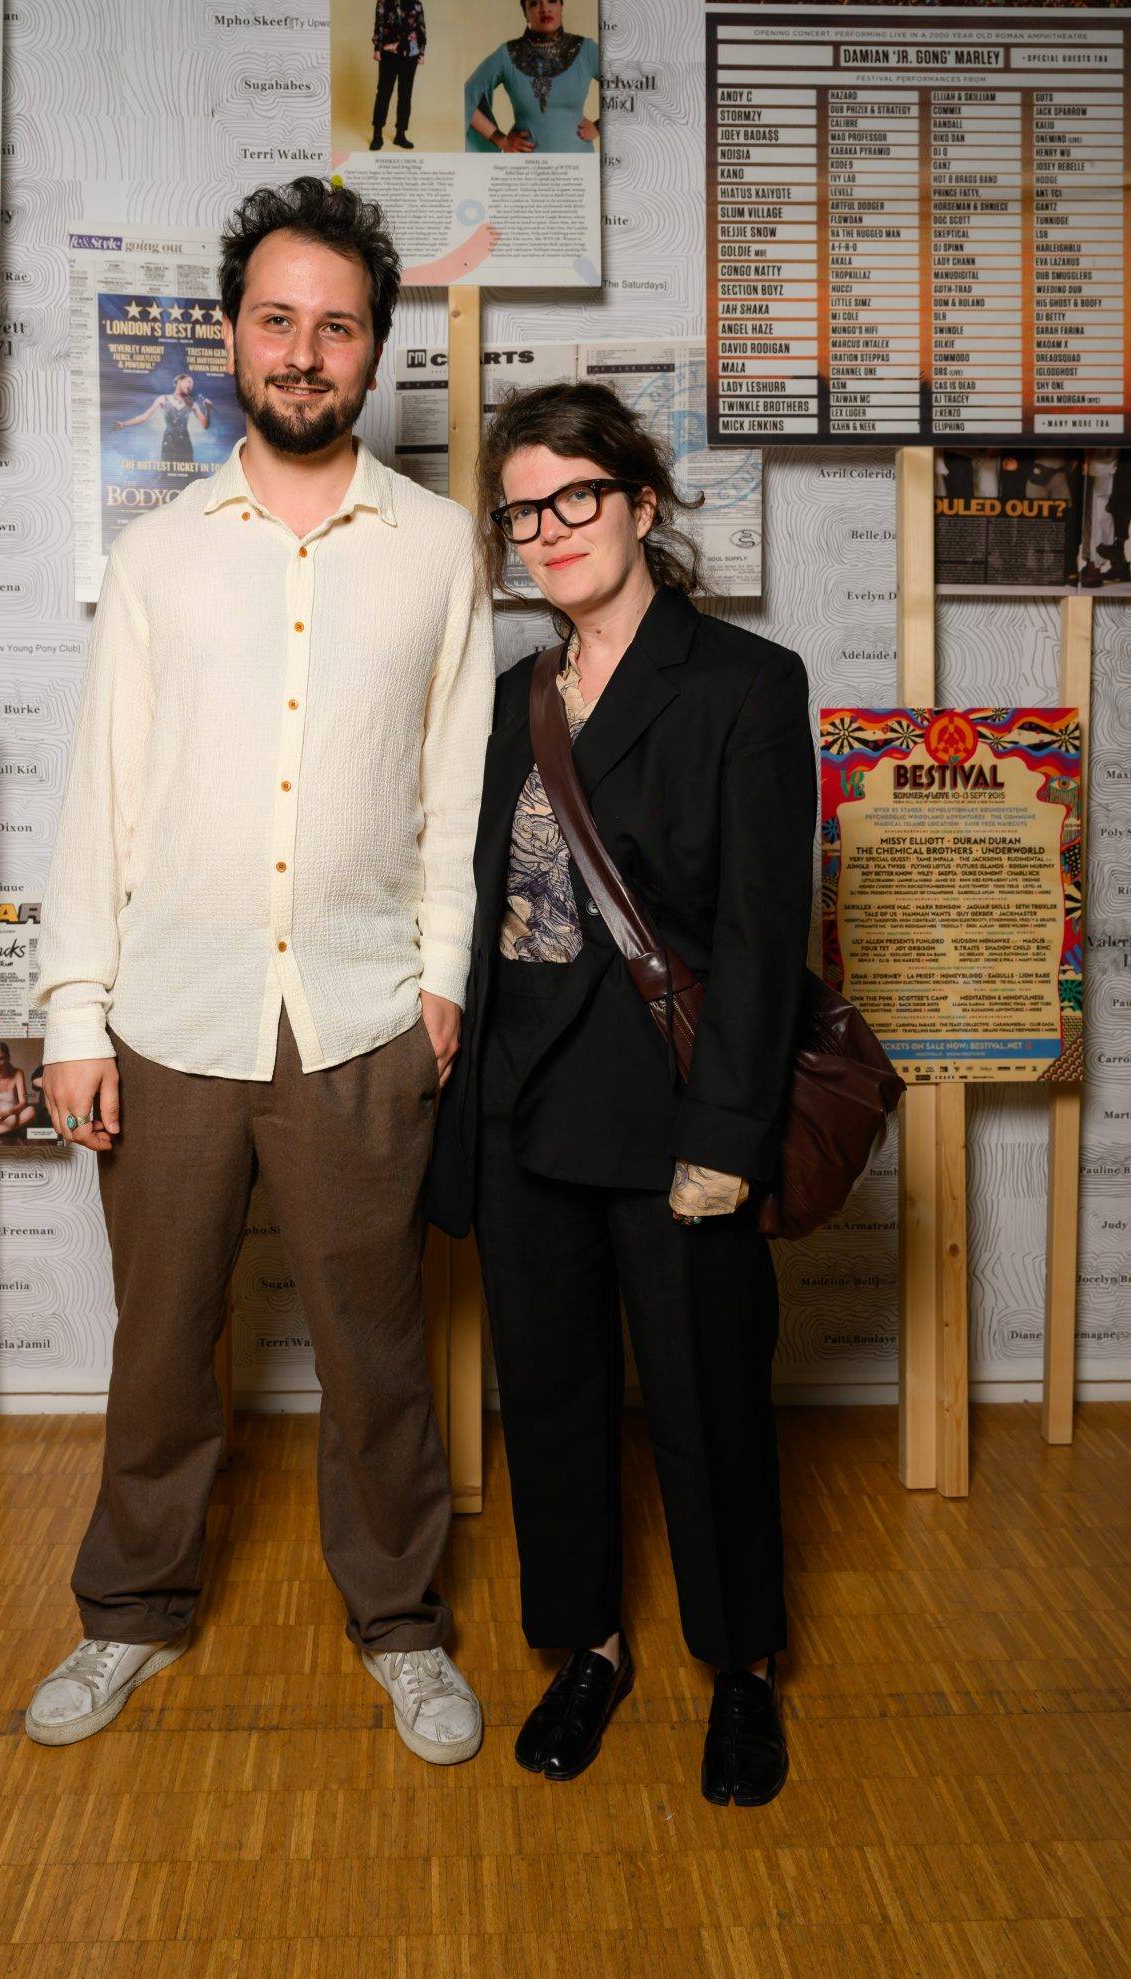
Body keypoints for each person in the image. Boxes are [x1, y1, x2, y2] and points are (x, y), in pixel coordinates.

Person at [24, 176, 494, 1758]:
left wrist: (439, 985)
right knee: (160, 1346)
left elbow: (454, 780)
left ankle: (401, 1622)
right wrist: (72, 1014)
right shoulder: (159, 558)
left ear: (376, 354)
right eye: (279, 321)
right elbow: (101, 797)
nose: (305, 351)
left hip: (365, 1019)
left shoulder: (439, 549)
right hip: (166, 1017)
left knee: (376, 1350)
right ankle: (130, 1611)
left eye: (338, 327)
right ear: (233, 338)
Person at [424, 379, 816, 1802]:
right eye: (524, 510)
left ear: (640, 503)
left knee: (710, 1402)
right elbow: (482, 908)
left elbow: (768, 938)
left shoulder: (744, 686)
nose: (548, 530)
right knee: (552, 1396)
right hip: (526, 1111)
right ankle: (582, 1644)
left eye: (573, 498)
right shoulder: (518, 696)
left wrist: (729, 1136)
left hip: (671, 1126)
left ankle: (740, 1667)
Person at [465, 0, 600, 155]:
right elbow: (466, 96)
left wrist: (598, 127)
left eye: (552, 1)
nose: (545, 9)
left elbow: (627, 88)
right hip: (525, 171)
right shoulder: (507, 54)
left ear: (561, 5)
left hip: (577, 168)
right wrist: (500, 139)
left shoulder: (586, 50)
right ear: (525, 11)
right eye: (535, 3)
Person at [112, 373, 213, 467]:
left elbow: (205, 425)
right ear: (179, 381)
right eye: (189, 382)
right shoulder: (163, 399)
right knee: (167, 472)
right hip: (168, 443)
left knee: (187, 475)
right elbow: (145, 416)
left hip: (185, 445)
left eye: (193, 384)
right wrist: (124, 424)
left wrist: (208, 410)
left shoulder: (192, 404)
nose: (191, 385)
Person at [369, 0, 426, 151]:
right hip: (389, 52)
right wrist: (377, 48)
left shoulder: (417, 3)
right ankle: (377, 134)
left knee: (405, 95)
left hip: (411, 54)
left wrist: (422, 51)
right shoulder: (383, 1)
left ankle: (400, 135)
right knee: (383, 93)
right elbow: (379, 24)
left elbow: (421, 26)